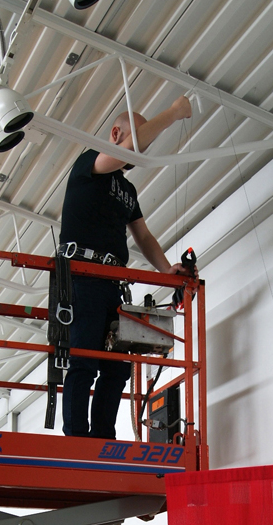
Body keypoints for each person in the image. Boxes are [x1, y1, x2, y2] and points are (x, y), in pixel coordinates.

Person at [58, 98, 194, 439]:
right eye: (137, 140)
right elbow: (120, 153)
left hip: (112, 282)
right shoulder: (91, 163)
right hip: (83, 274)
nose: (140, 151)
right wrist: (174, 112)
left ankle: (103, 435)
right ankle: (76, 438)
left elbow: (143, 236)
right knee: (84, 359)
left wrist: (167, 270)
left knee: (117, 367)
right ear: (116, 133)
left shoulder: (128, 190)